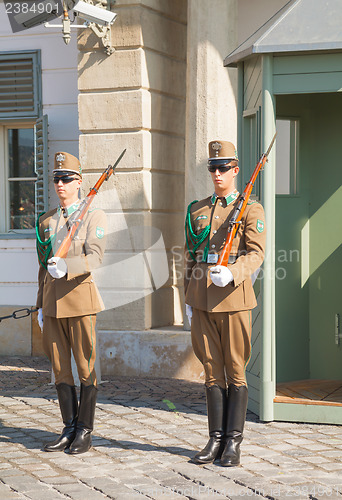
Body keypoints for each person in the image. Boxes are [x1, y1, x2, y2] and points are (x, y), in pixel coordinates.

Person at [184, 140, 266, 467]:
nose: (217, 174)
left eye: (224, 168)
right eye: (213, 168)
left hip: (233, 298)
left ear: (235, 170)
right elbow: (190, 256)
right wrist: (187, 296)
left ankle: (233, 442)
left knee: (235, 371)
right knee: (211, 371)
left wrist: (231, 273)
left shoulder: (250, 209)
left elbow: (256, 254)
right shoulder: (198, 209)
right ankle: (215, 439)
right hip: (201, 297)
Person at [36, 151, 106, 454]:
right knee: (60, 368)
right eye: (56, 179)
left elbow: (96, 256)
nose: (60, 184)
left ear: (79, 182)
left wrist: (69, 267)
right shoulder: (47, 220)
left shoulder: (94, 216)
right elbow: (43, 266)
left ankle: (85, 430)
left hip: (80, 302)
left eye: (66, 179)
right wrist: (39, 304)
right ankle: (68, 427)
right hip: (52, 304)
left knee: (85, 367)